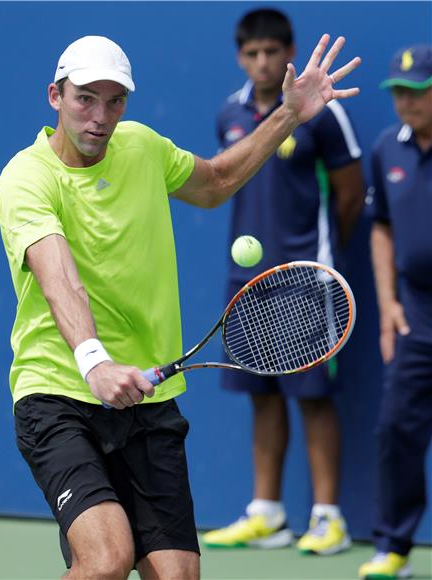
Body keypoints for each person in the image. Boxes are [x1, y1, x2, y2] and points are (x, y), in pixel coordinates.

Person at [0, 33, 360, 579]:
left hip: (148, 399)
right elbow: (58, 278)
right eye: (84, 98)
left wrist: (287, 115)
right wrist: (94, 361)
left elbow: (216, 183)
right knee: (106, 559)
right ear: (55, 96)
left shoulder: (141, 147)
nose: (100, 115)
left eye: (114, 100)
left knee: (178, 575)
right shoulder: (26, 177)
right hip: (59, 395)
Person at [202, 8, 364, 556]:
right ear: (240, 56)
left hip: (306, 280)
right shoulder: (229, 112)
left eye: (273, 51)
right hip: (247, 284)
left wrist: (316, 257)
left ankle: (328, 518)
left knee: (313, 398)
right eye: (253, 54)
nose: (264, 62)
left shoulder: (321, 113)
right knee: (261, 396)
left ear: (289, 50)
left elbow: (348, 194)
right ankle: (267, 514)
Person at [358, 45, 432, 580]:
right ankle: (394, 550)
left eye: (417, 90)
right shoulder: (387, 149)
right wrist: (387, 303)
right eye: (399, 92)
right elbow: (380, 226)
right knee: (395, 431)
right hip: (415, 314)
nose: (406, 101)